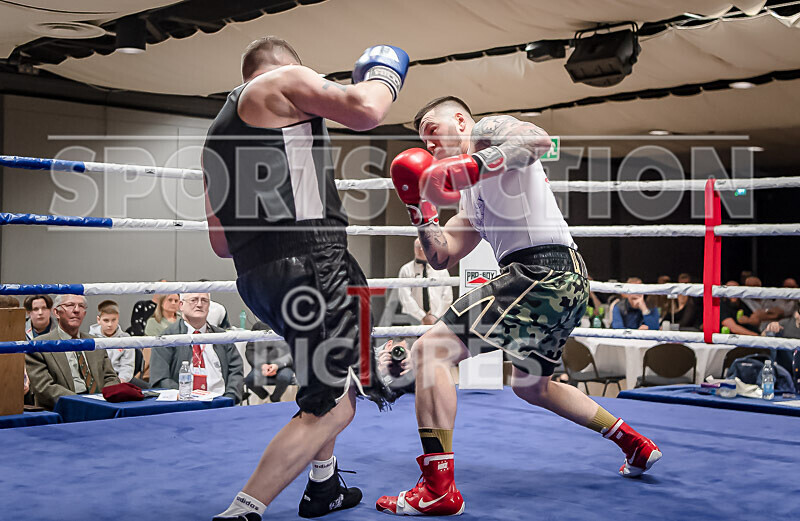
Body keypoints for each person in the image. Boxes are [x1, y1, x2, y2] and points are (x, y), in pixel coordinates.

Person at [376, 96, 661, 516]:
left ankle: (438, 489)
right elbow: (443, 255)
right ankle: (634, 444)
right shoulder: (470, 197)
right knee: (532, 386)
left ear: (460, 120)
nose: (432, 148)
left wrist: (468, 165)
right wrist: (420, 211)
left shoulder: (489, 130)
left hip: (540, 273)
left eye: (433, 134)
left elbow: (537, 139)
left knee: (430, 350)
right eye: (425, 144)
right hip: (566, 280)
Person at [202, 37, 408, 520]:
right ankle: (242, 511)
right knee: (335, 404)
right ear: (289, 67)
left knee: (328, 380)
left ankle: (325, 483)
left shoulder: (215, 136)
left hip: (258, 279)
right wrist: (384, 72)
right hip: (312, 265)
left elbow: (220, 242)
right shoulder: (283, 81)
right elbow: (366, 109)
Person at [25, 294, 119, 411]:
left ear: (84, 313)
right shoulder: (38, 345)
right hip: (62, 411)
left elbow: (111, 378)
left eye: (81, 306)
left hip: (101, 405)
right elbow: (44, 388)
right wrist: (84, 403)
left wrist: (105, 400)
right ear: (56, 312)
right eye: (70, 305)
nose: (76, 310)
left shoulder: (95, 342)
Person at [149, 293, 244, 403]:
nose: (199, 304)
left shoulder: (222, 337)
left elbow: (236, 371)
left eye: (204, 300)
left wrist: (229, 398)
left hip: (220, 402)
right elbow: (160, 378)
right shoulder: (167, 338)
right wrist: (185, 398)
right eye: (193, 300)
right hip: (182, 405)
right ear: (181, 305)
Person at [89, 300, 150, 388]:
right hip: (98, 379)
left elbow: (127, 365)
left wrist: (121, 380)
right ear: (98, 320)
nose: (110, 324)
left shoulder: (126, 338)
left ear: (118, 318)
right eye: (106, 320)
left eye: (113, 320)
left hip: (121, 379)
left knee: (148, 389)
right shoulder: (90, 338)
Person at [398, 238, 453, 325]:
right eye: (418, 246)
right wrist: (422, 316)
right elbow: (405, 297)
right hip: (413, 319)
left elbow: (447, 297)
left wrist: (435, 316)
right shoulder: (406, 270)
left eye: (423, 246)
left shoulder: (441, 270)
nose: (420, 249)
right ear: (414, 248)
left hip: (438, 319)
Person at [244, 321, 295, 402]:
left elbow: (293, 351)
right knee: (250, 380)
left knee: (283, 378)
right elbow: (250, 350)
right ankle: (266, 397)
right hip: (263, 365)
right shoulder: (259, 326)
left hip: (284, 365)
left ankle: (274, 399)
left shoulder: (289, 324)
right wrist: (261, 365)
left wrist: (278, 364)